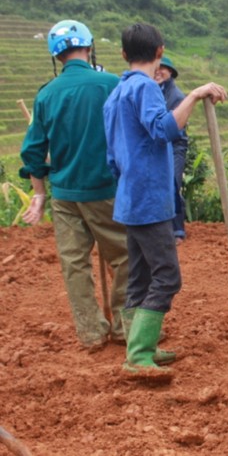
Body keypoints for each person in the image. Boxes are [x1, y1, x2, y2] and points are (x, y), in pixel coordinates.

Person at [103, 23, 227, 380]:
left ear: (124, 54)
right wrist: (195, 94)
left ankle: (139, 346)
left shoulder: (117, 92)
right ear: (160, 52)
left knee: (140, 275)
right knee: (168, 276)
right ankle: (139, 356)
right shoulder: (146, 88)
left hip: (129, 196)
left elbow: (112, 155)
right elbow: (165, 129)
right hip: (149, 198)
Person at [19, 19, 129, 352]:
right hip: (104, 190)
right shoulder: (110, 83)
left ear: (56, 56)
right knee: (126, 257)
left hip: (64, 195)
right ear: (89, 46)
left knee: (74, 264)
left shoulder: (46, 94)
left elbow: (32, 151)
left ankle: (91, 333)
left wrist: (39, 195)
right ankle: (125, 328)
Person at [154, 56, 188, 244]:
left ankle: (178, 231)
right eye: (156, 68)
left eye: (163, 69)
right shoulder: (153, 90)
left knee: (172, 183)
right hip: (159, 144)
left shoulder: (176, 96)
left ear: (170, 73)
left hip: (174, 145)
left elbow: (175, 128)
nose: (159, 72)